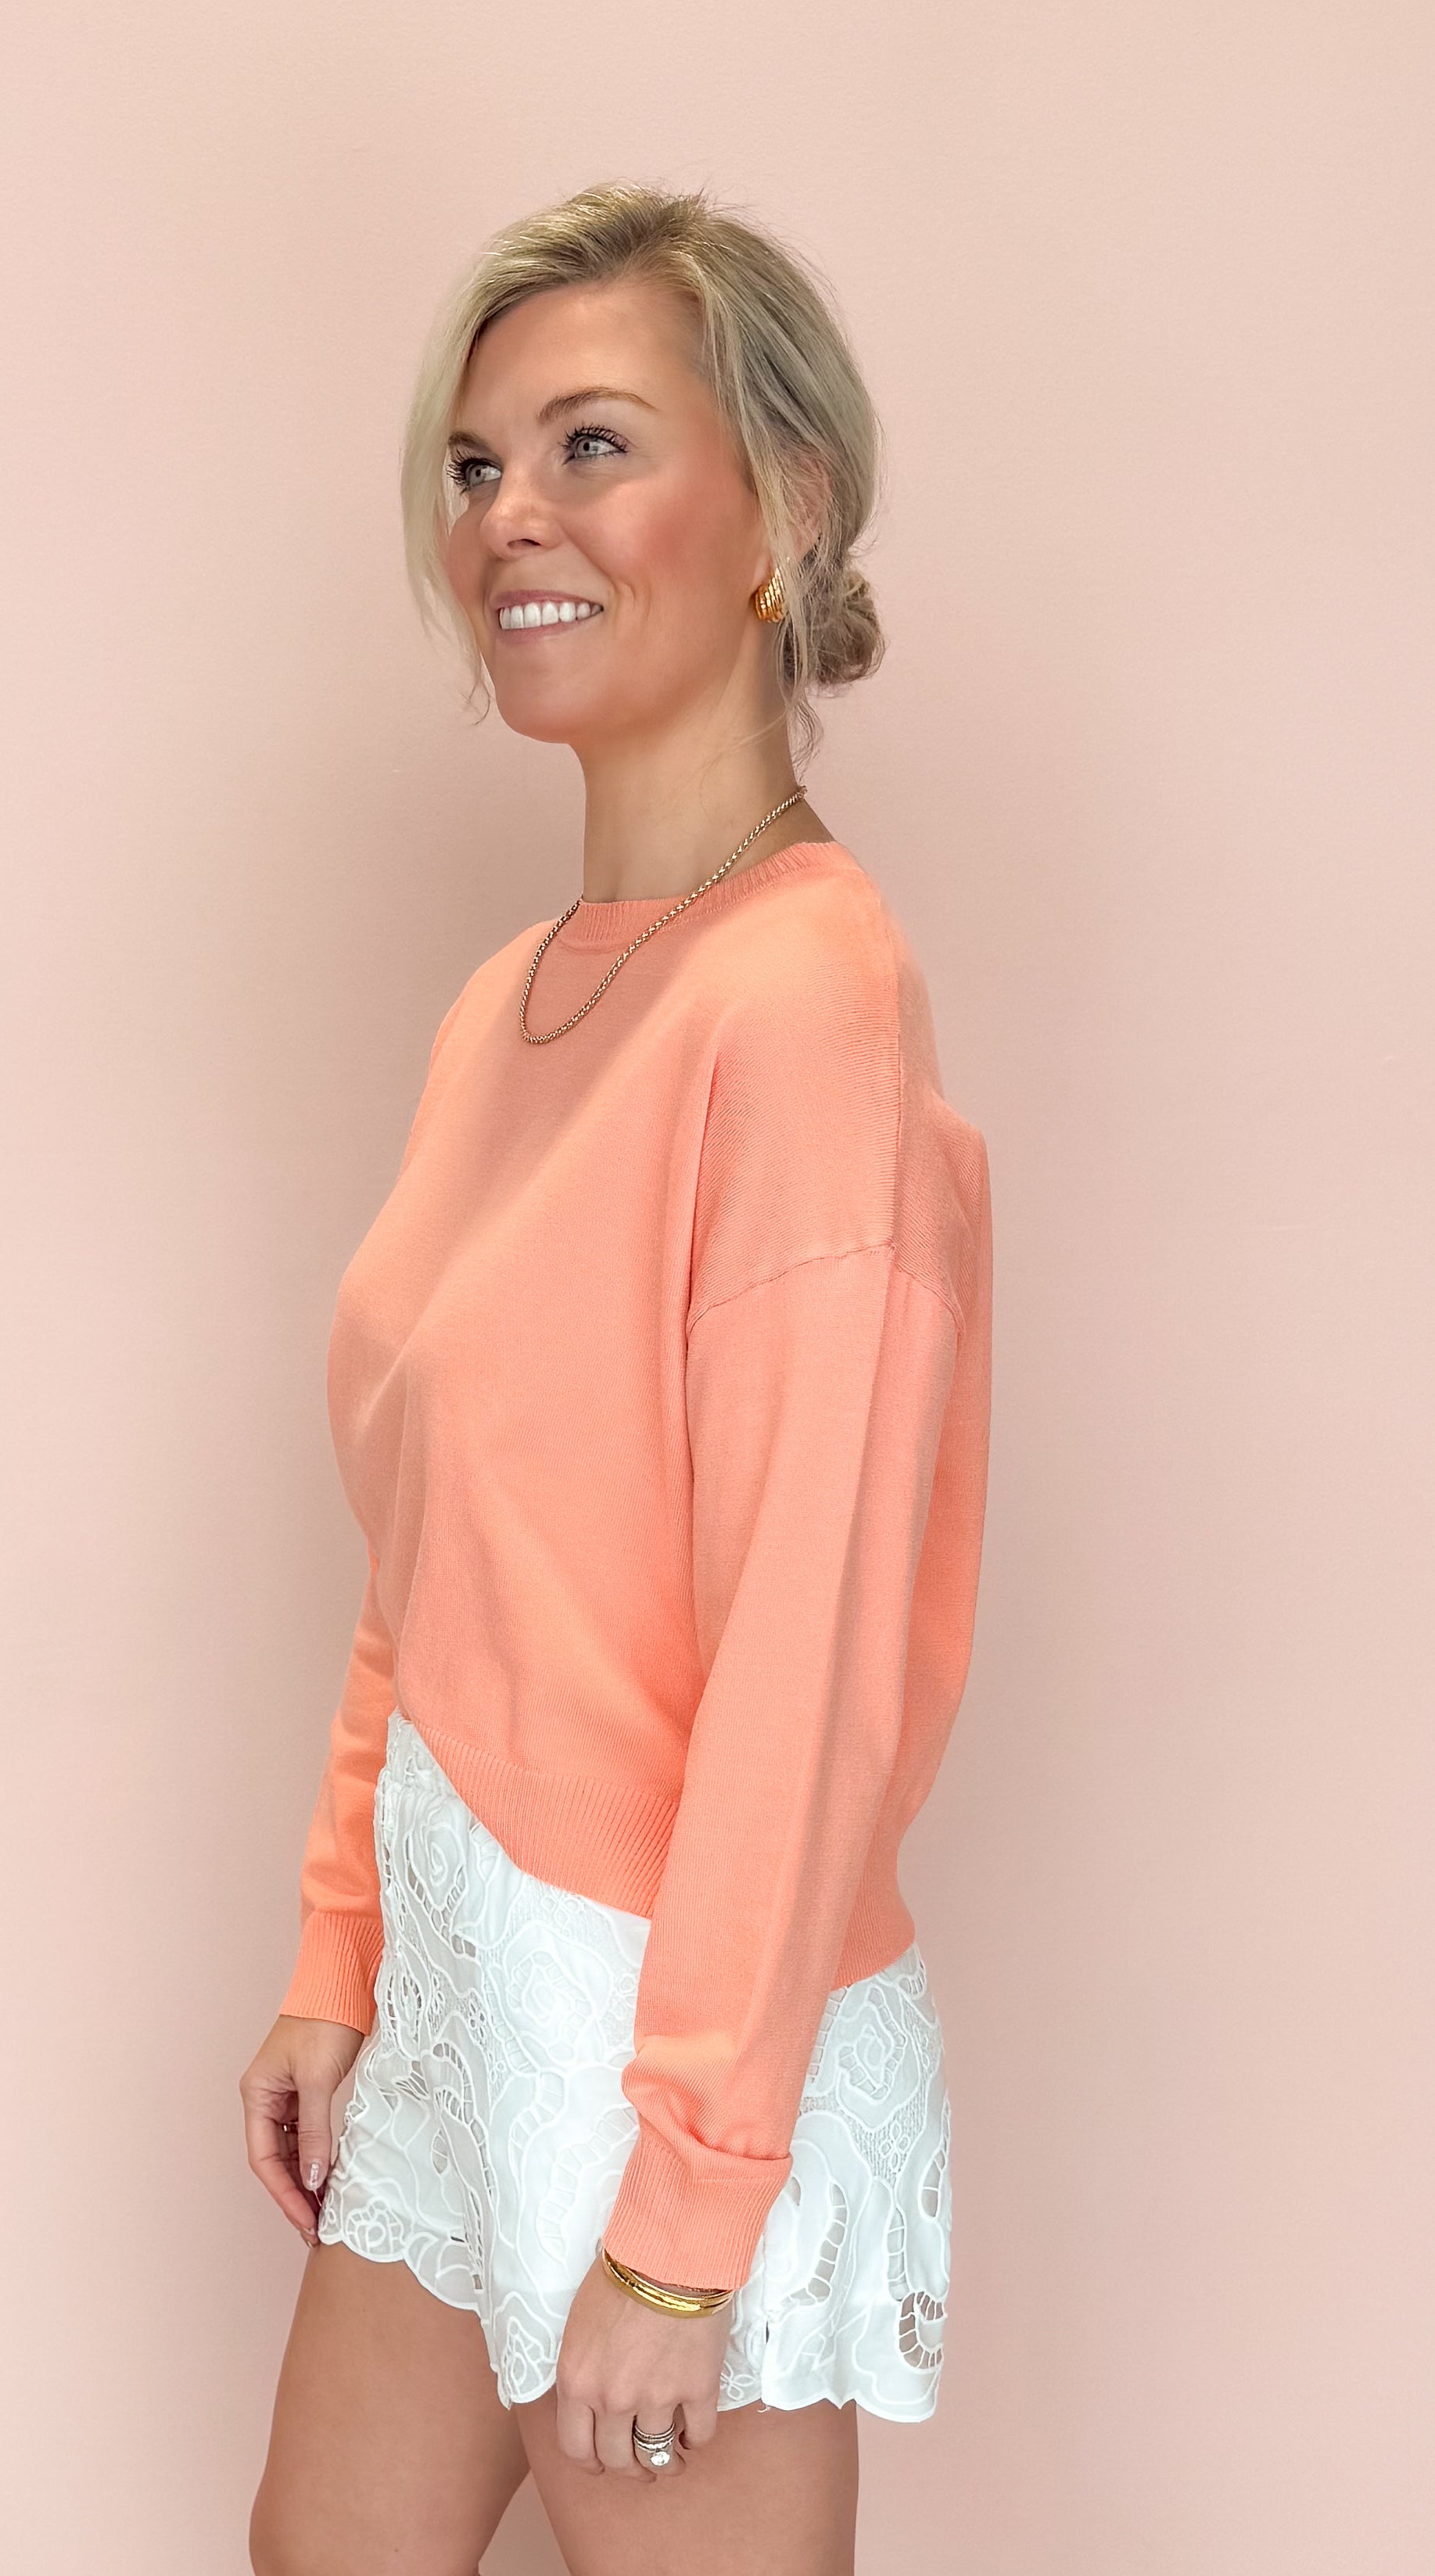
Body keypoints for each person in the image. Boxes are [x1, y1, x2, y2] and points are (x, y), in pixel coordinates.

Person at [240, 182, 993, 2575]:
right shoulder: (513, 1004)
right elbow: (435, 1536)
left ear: (781, 508)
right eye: (476, 466)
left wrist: (686, 2220)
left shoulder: (806, 1003)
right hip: (461, 1970)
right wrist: (341, 1956)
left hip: (664, 2014)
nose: (509, 519)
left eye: (591, 445)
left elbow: (808, 1659)